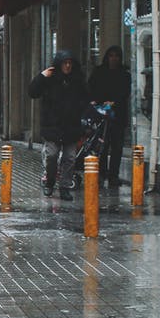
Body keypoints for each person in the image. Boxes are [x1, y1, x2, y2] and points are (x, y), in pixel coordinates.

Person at [29, 50, 90, 201]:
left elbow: (86, 98)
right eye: (65, 63)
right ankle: (49, 182)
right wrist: (41, 76)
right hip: (52, 126)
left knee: (70, 158)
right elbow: (33, 92)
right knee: (51, 155)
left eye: (70, 63)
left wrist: (82, 115)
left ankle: (64, 187)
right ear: (59, 64)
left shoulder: (77, 80)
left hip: (71, 126)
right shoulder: (50, 79)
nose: (67, 66)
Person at [88, 45, 131, 187]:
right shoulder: (99, 72)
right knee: (102, 145)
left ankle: (114, 175)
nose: (114, 59)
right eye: (111, 55)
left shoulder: (124, 74)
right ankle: (101, 173)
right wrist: (98, 102)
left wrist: (114, 102)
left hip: (117, 115)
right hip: (102, 114)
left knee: (117, 147)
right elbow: (91, 88)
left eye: (116, 56)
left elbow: (125, 92)